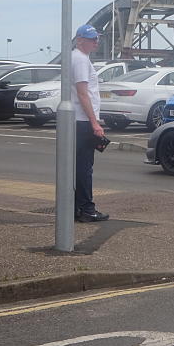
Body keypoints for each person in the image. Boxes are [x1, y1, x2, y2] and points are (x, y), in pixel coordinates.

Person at [72, 24, 109, 222]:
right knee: (84, 167)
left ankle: (77, 207)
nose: (96, 41)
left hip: (80, 120)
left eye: (97, 38)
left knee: (80, 166)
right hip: (82, 121)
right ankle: (87, 208)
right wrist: (94, 123)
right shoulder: (79, 59)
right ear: (80, 40)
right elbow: (82, 93)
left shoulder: (80, 58)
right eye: (92, 38)